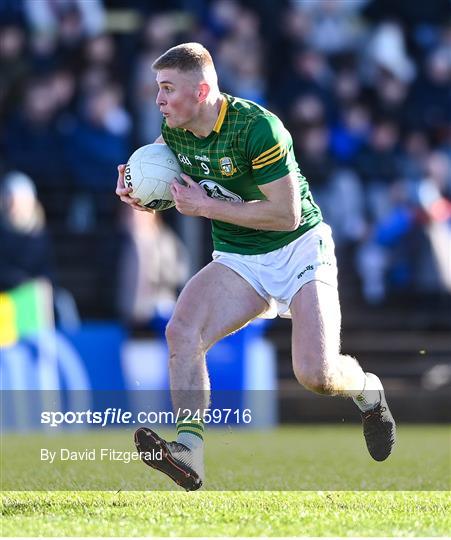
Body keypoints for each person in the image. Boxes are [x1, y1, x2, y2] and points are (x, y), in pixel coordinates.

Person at [116, 42, 396, 491]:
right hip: (240, 259)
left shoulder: (258, 128)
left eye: (168, 89)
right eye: (157, 89)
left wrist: (205, 205)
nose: (159, 100)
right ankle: (189, 451)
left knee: (316, 375)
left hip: (299, 248)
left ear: (202, 90)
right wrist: (136, 190)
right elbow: (159, 174)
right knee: (182, 331)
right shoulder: (173, 131)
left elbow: (283, 214)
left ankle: (368, 391)